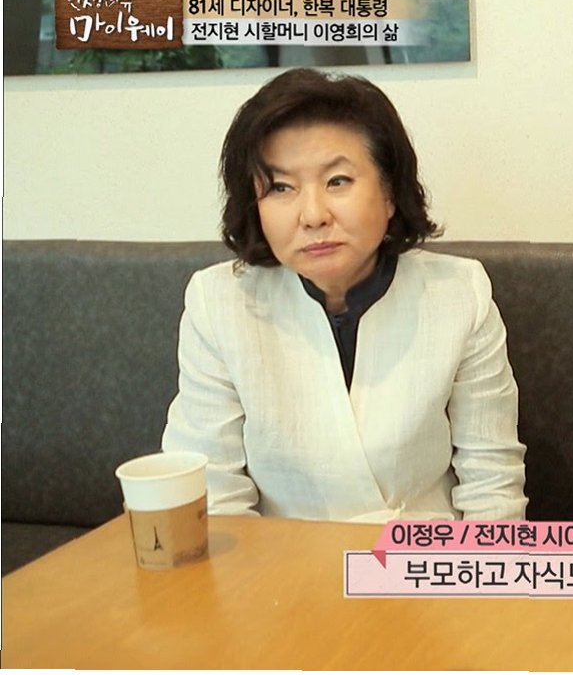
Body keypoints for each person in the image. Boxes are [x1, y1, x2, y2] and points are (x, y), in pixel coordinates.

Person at [162, 68, 527, 523]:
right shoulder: (219, 303)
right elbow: (211, 498)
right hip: (280, 562)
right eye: (280, 187)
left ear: (389, 193)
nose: (313, 215)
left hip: (420, 558)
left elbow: (492, 488)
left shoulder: (459, 295)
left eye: (337, 181)